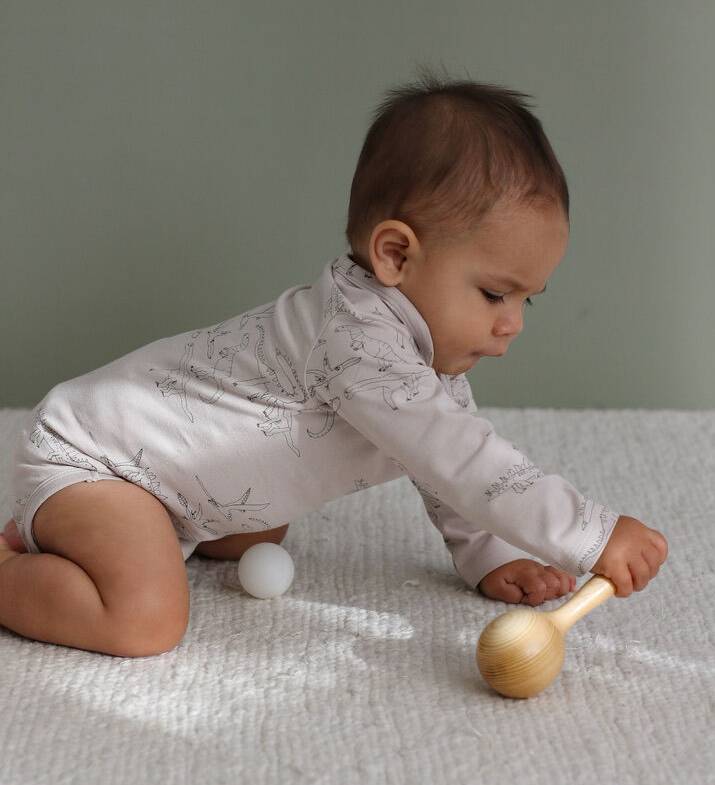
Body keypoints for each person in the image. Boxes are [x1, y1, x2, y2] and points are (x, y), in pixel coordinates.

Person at [0, 75, 667, 657]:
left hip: (178, 489)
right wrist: (591, 532)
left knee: (256, 528)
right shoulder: (356, 340)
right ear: (396, 257)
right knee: (146, 619)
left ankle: (168, 531)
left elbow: (439, 460)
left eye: (527, 300)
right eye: (495, 293)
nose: (512, 321)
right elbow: (461, 458)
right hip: (97, 461)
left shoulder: (417, 358)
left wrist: (487, 553)